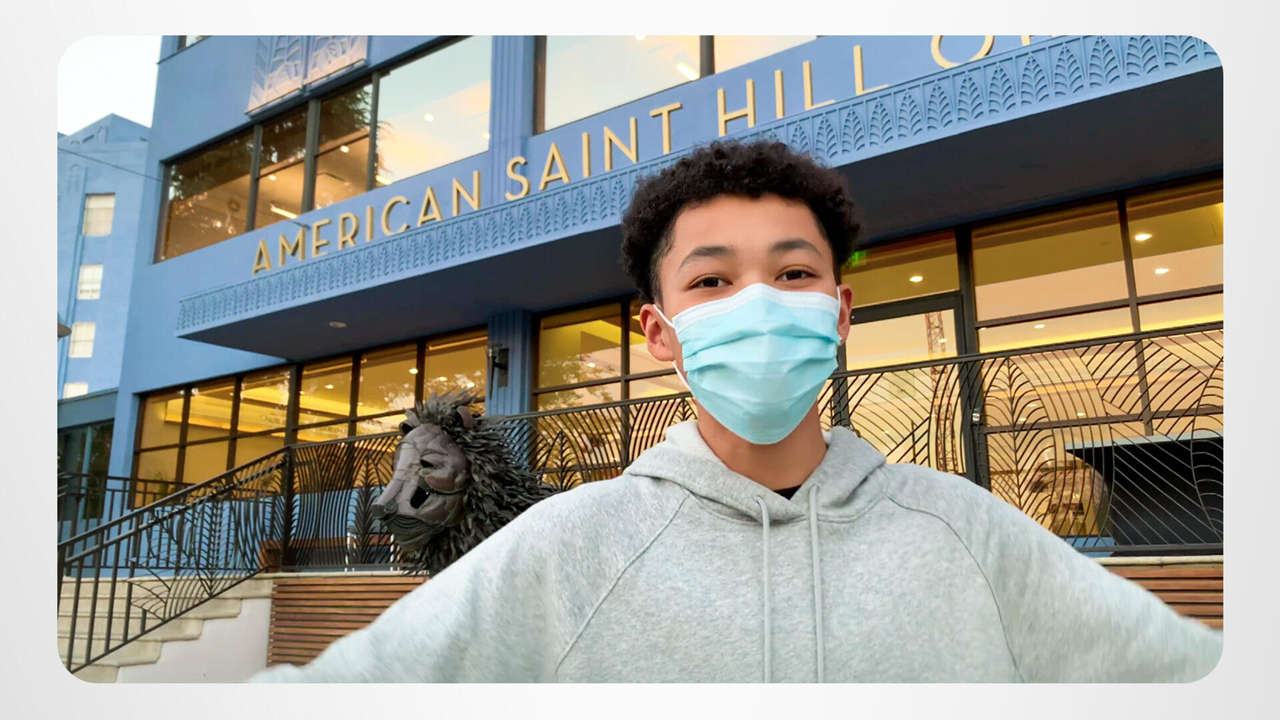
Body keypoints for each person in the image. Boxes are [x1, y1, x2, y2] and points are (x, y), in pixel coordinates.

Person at [252, 139, 1223, 683]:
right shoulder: (564, 547)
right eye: (711, 280)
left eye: (793, 273)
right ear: (660, 332)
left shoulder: (971, 532)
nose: (758, 302)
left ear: (838, 313)